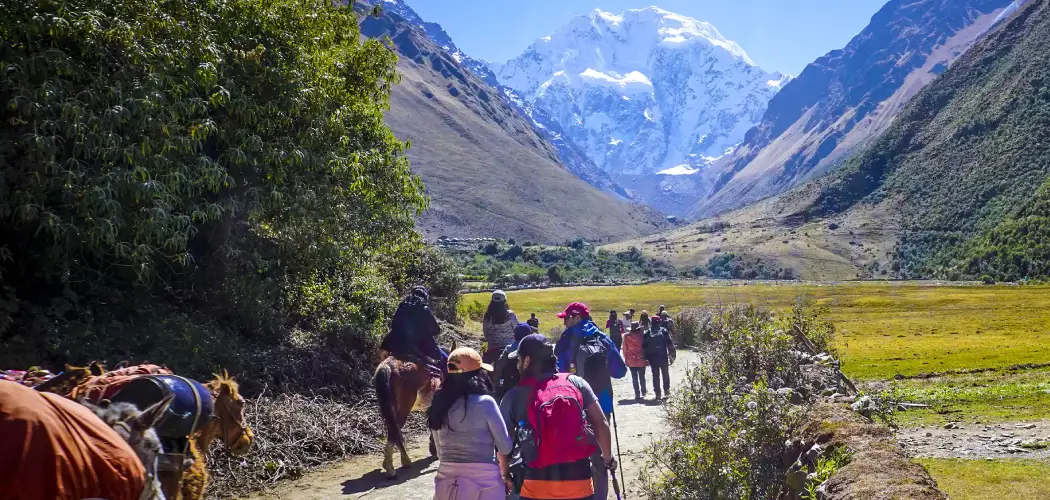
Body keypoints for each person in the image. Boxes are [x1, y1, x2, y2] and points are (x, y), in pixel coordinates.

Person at [499, 334, 617, 500]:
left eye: (518, 360)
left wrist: (505, 473)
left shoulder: (514, 395)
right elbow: (601, 423)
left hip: (535, 484)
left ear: (526, 361)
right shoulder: (575, 382)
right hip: (579, 481)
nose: (517, 365)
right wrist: (607, 458)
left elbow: (504, 442)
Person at [553, 302, 626, 500]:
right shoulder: (602, 338)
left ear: (576, 317)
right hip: (602, 406)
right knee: (601, 457)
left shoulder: (566, 340)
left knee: (574, 456)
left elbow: (559, 374)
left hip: (572, 407)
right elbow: (620, 371)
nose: (565, 323)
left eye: (566, 319)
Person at [429, 347, 513, 500]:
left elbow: (440, 453)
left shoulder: (438, 404)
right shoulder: (486, 403)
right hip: (485, 484)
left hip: (447, 486)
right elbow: (505, 447)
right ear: (478, 375)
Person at [380, 286, 446, 372]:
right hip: (420, 345)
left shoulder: (402, 306)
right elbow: (436, 330)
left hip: (397, 342)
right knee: (444, 359)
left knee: (383, 356)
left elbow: (394, 324)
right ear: (425, 297)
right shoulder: (424, 308)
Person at [493, 323, 535, 402]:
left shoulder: (508, 349)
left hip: (511, 385)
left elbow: (499, 366)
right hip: (531, 385)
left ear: (514, 336)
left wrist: (497, 384)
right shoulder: (534, 349)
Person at [643, 315, 677, 400]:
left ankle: (658, 394)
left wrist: (646, 358)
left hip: (653, 358)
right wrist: (672, 355)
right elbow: (669, 344)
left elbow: (644, 347)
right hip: (663, 357)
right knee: (665, 374)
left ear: (651, 322)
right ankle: (667, 391)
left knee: (655, 376)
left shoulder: (647, 332)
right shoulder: (664, 331)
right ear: (659, 322)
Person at [483, 290, 520, 364]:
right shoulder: (510, 315)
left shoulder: (487, 317)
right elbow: (517, 329)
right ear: (504, 301)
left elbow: (485, 334)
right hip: (510, 348)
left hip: (493, 349)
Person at [622, 321, 648, 400]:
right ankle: (643, 392)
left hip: (631, 360)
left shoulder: (626, 337)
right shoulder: (643, 336)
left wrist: (625, 358)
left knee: (634, 377)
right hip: (641, 359)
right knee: (642, 376)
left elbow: (625, 349)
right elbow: (646, 348)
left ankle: (637, 393)